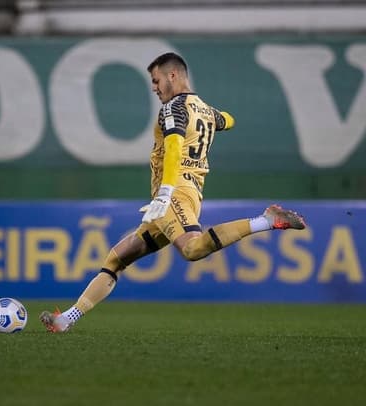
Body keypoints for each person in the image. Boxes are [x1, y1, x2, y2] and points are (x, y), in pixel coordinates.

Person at [40, 52, 306, 333]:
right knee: (117, 258)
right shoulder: (203, 109)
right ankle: (66, 319)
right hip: (187, 191)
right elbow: (229, 120)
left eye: (156, 81)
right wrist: (219, 117)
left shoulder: (173, 108)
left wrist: (165, 192)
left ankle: (268, 219)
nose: (154, 88)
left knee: (192, 249)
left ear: (173, 76)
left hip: (174, 192)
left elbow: (175, 147)